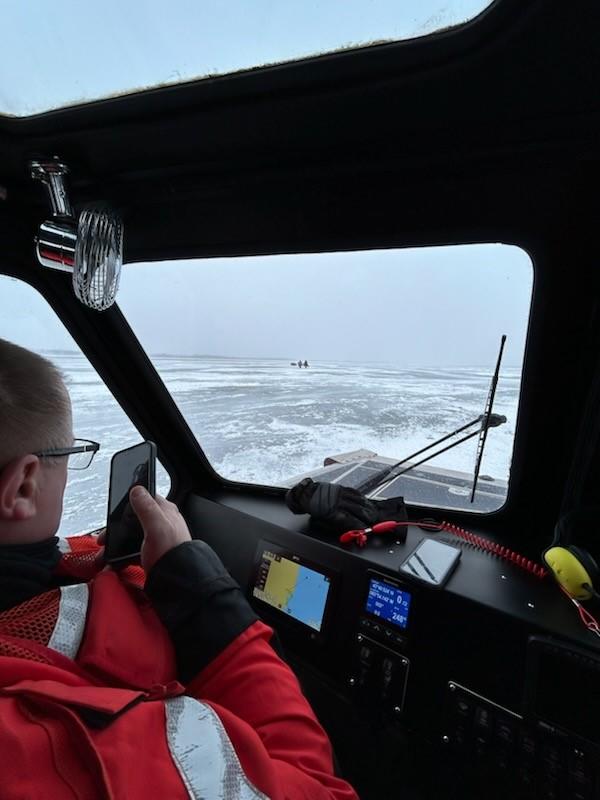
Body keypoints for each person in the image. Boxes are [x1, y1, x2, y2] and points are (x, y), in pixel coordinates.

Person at [0, 338, 357, 800]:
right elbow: (321, 789)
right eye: (67, 456)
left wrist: (96, 552)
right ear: (25, 485)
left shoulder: (44, 571)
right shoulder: (52, 745)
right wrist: (205, 595)